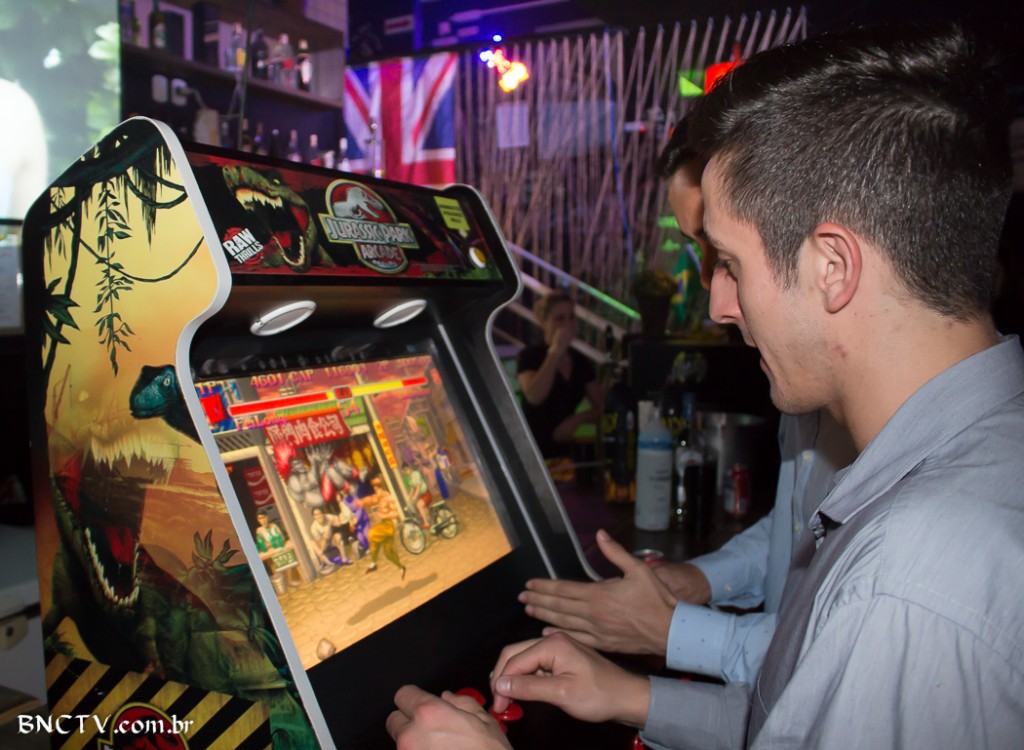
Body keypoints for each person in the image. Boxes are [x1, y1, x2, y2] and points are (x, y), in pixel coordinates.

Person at [387, 23, 1024, 749]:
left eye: (729, 261)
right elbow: (791, 715)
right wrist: (627, 694)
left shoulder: (910, 580)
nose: (720, 303)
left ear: (833, 267)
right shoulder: (967, 461)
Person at [516, 290, 604, 459]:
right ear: (544, 322)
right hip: (533, 451)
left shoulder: (580, 361)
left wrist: (578, 419)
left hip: (566, 452)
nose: (567, 324)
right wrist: (555, 352)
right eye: (560, 318)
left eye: (571, 317)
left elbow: (603, 408)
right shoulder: (530, 356)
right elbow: (534, 396)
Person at [360, 477, 406, 578]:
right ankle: (401, 567)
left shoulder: (388, 498)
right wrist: (361, 502)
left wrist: (382, 516)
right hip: (385, 525)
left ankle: (373, 563)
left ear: (382, 487)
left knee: (372, 533)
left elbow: (396, 513)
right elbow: (370, 500)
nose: (376, 491)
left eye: (377, 488)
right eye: (374, 489)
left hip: (389, 526)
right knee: (388, 552)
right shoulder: (378, 498)